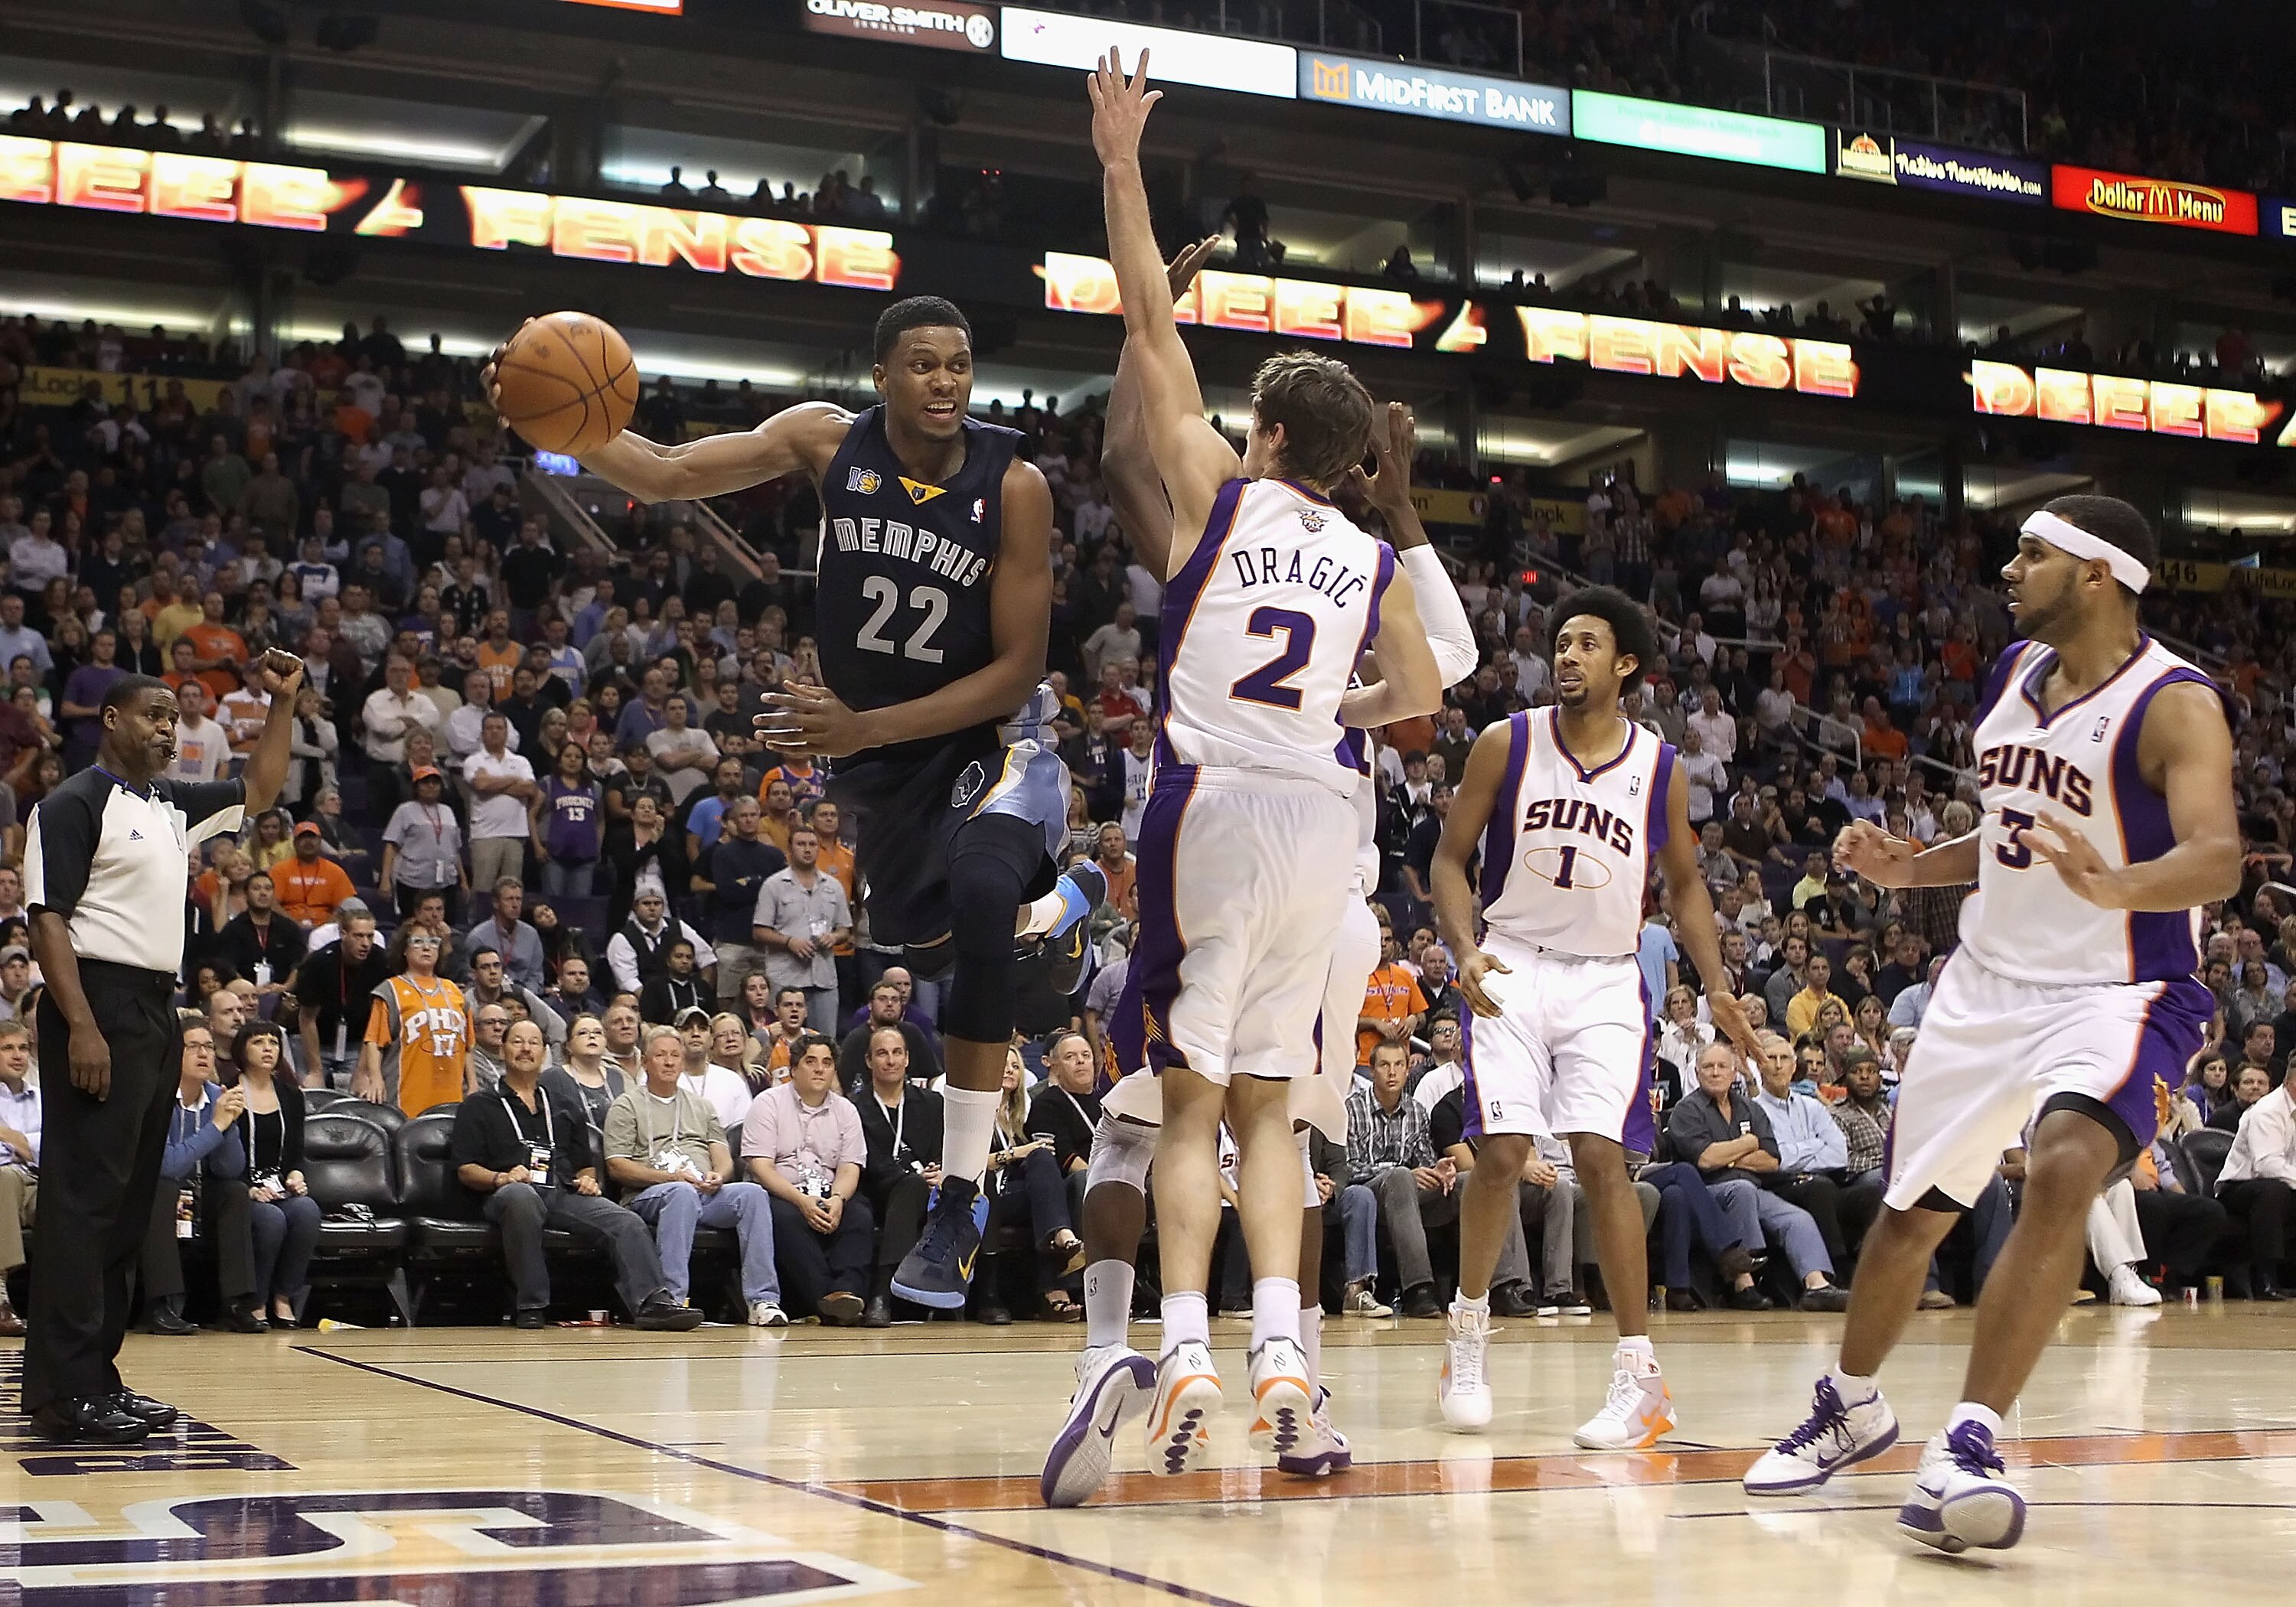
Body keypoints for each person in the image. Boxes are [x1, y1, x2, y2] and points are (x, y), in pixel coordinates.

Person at [508, 281, 1106, 1322]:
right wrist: (561, 417)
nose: (944, 382)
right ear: (880, 376)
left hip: (991, 741)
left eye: (958, 365)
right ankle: (1063, 907)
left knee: (976, 890)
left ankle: (958, 1201)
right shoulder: (824, 441)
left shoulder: (1013, 485)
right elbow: (660, 473)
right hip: (889, 776)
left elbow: (1016, 671)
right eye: (923, 363)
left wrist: (862, 726)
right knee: (935, 947)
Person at [1742, 496, 2239, 1556]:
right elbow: (2009, 827)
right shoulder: (2015, 672)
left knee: (2063, 1167)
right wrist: (1915, 867)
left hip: (2123, 990)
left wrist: (2121, 885)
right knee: (1908, 1220)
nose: (2007, 567)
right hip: (1986, 986)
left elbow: (2219, 857)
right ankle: (1852, 1407)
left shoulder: (2176, 705)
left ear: (2100, 575)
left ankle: (1969, 1442)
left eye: (2032, 553)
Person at [1088, 52, 1441, 1475]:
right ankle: (1285, 1342)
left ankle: (1180, 1349)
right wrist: (1332, 714)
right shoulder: (1372, 556)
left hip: (1212, 807)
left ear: (1274, 435)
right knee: (1277, 1109)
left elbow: (1146, 328)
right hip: (1321, 830)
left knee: (1188, 1101)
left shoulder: (1219, 492)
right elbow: (1414, 697)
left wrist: (1119, 162)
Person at [1431, 585, 1760, 1447]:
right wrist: (1464, 948)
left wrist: (1715, 980)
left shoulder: (1660, 766)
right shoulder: (1508, 743)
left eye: (1587, 644)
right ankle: (1466, 1334)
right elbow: (1449, 859)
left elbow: (1684, 885)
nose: (1567, 655)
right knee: (1500, 1154)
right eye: (1561, 642)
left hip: (1609, 978)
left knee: (1602, 1159)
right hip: (1512, 962)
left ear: (1625, 667)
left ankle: (1639, 1376)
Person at [24, 657, 300, 1445]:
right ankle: (57, 1393)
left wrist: (282, 703)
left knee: (128, 1205)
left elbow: (262, 791)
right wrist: (80, 1025)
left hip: (153, 1003)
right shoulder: (73, 802)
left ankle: (96, 1379)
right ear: (111, 721)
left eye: (176, 718)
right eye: (154, 715)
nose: (168, 729)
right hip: (97, 1001)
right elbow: (48, 922)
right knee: (83, 1205)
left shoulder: (171, 805)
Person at [451, 1018, 703, 1330]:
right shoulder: (479, 1105)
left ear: (545, 1053)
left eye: (534, 1043)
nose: (526, 1049)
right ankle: (531, 1305)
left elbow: (584, 1161)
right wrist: (500, 1178)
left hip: (561, 1191)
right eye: (517, 1042)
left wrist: (588, 1178)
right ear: (503, 1050)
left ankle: (652, 1303)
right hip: (503, 1192)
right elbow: (465, 1169)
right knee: (521, 1196)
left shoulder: (562, 1102)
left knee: (624, 1220)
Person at [604, 1025, 785, 1326]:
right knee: (682, 1194)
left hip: (702, 1191)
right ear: (646, 1062)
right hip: (649, 1195)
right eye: (660, 1055)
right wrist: (669, 1179)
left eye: (675, 1055)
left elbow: (724, 1158)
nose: (669, 1061)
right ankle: (671, 1300)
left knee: (752, 1194)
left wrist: (719, 1176)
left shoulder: (701, 1106)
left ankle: (762, 1300)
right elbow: (617, 1166)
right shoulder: (627, 1105)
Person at [139, 1015, 265, 1335]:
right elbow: (166, 1165)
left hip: (197, 1197)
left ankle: (235, 1304)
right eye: (192, 1046)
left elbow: (229, 1168)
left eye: (208, 1046)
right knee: (162, 1188)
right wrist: (217, 1126)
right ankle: (160, 1305)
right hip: (152, 1199)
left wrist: (230, 1123)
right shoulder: (155, 1096)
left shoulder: (216, 1096)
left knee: (234, 1191)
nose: (204, 1054)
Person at [740, 1032, 874, 1324]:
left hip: (828, 1189)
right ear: (793, 1070)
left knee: (859, 1214)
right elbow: (761, 1167)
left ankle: (846, 1292)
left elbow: (850, 1167)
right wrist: (801, 1200)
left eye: (827, 1063)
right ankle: (825, 1298)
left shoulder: (846, 1110)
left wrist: (838, 1199)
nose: (819, 1069)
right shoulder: (768, 1103)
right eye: (811, 1062)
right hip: (782, 1191)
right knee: (785, 1218)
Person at [227, 1022, 321, 1326]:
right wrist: (249, 1188)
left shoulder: (291, 1096)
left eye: (273, 1042)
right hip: (240, 1186)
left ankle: (283, 1298)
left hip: (277, 1185)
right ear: (242, 1050)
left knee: (306, 1210)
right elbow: (222, 1154)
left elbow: (296, 1151)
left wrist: (296, 1174)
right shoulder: (230, 1092)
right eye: (259, 1042)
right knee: (271, 1220)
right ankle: (256, 1301)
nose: (268, 1048)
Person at [853, 1022, 945, 1327]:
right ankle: (883, 1291)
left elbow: (940, 1150)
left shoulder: (933, 1103)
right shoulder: (853, 1107)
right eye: (882, 1054)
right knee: (908, 1187)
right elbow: (866, 1160)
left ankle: (885, 1295)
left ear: (907, 1058)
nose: (890, 1060)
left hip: (926, 1189)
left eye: (897, 1053)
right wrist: (914, 1177)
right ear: (869, 1061)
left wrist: (936, 1171)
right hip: (874, 1191)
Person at [350, 925, 471, 1115]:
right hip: (407, 1092)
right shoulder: (390, 989)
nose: (426, 947)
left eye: (433, 942)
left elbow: (468, 1046)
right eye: (418, 941)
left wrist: (472, 1085)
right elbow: (374, 1041)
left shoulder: (454, 991)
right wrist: (375, 1079)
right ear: (404, 950)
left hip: (452, 1092)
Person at [753, 824, 852, 1035]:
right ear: (790, 850)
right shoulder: (774, 885)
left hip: (824, 978)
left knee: (825, 1043)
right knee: (784, 1041)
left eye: (812, 845)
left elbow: (845, 929)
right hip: (786, 978)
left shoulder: (833, 887)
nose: (807, 849)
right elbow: (759, 931)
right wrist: (790, 942)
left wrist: (834, 937)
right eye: (801, 844)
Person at [2215, 1063, 2296, 1299]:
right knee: (2272, 1192)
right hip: (2239, 1187)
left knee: (2279, 1190)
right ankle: (2266, 1280)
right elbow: (2267, 1165)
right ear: (2292, 1083)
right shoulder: (2267, 1111)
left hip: (2282, 1182)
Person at [294, 905, 388, 1089]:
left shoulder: (381, 962)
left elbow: (376, 1022)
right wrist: (316, 1071)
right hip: (318, 1042)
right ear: (343, 934)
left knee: (364, 1092)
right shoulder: (319, 963)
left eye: (370, 936)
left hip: (358, 1044)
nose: (366, 944)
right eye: (359, 936)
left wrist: (362, 1072)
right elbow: (307, 1019)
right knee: (312, 1091)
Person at [380, 765, 468, 923]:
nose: (431, 786)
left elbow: (455, 849)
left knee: (445, 927)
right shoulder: (405, 810)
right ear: (416, 787)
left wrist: (463, 880)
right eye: (425, 782)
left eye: (435, 782)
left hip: (445, 882)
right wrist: (385, 879)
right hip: (413, 881)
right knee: (413, 927)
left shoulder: (448, 811)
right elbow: (391, 845)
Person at [0, 1018, 38, 1335]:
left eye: (23, 1048)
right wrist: (22, 1143)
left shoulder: (43, 1098)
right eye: (8, 1048)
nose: (17, 1055)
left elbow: (57, 1144)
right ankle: (1, 1298)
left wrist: (13, 1139)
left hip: (41, 1181)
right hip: (5, 1183)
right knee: (5, 1178)